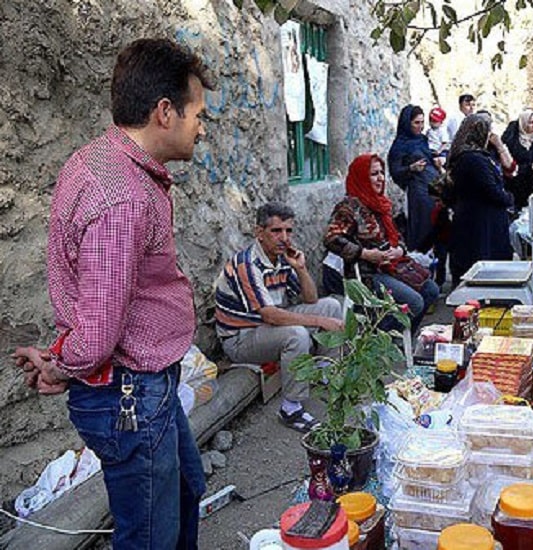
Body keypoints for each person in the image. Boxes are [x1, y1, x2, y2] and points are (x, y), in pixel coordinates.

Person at [12, 38, 212, 549]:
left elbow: (94, 299)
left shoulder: (98, 161)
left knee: (188, 491)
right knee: (149, 538)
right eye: (197, 115)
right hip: (130, 393)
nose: (202, 128)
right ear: (164, 112)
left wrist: (60, 359)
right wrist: (63, 364)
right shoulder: (121, 195)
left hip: (145, 387)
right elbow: (98, 331)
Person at [215, 202, 344, 433]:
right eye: (276, 231)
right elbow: (271, 315)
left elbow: (311, 300)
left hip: (265, 327)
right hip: (241, 338)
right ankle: (291, 408)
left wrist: (301, 269)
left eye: (288, 231)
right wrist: (320, 323)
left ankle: (325, 372)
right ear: (259, 233)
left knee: (331, 306)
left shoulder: (282, 257)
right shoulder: (247, 264)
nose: (284, 237)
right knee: (296, 334)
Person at [324, 154, 439, 332]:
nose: (380, 178)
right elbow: (332, 239)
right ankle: (378, 338)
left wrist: (399, 250)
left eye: (382, 173)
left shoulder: (380, 204)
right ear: (361, 176)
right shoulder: (349, 207)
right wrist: (365, 254)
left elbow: (396, 236)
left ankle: (402, 338)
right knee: (414, 302)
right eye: (374, 174)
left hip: (391, 266)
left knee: (431, 290)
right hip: (366, 274)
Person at [447, 114, 515, 286]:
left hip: (475, 218)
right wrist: (509, 198)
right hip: (480, 223)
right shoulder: (473, 159)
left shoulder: (469, 156)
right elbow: (491, 190)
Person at [387, 104, 441, 253]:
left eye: (422, 122)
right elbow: (395, 171)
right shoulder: (399, 145)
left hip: (433, 192)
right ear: (407, 123)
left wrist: (435, 159)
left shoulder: (422, 140)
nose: (421, 127)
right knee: (422, 231)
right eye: (416, 123)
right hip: (418, 195)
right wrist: (411, 168)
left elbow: (427, 157)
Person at [502, 109, 533, 210]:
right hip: (514, 191)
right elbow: (507, 167)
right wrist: (528, 168)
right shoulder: (511, 143)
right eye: (531, 122)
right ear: (523, 123)